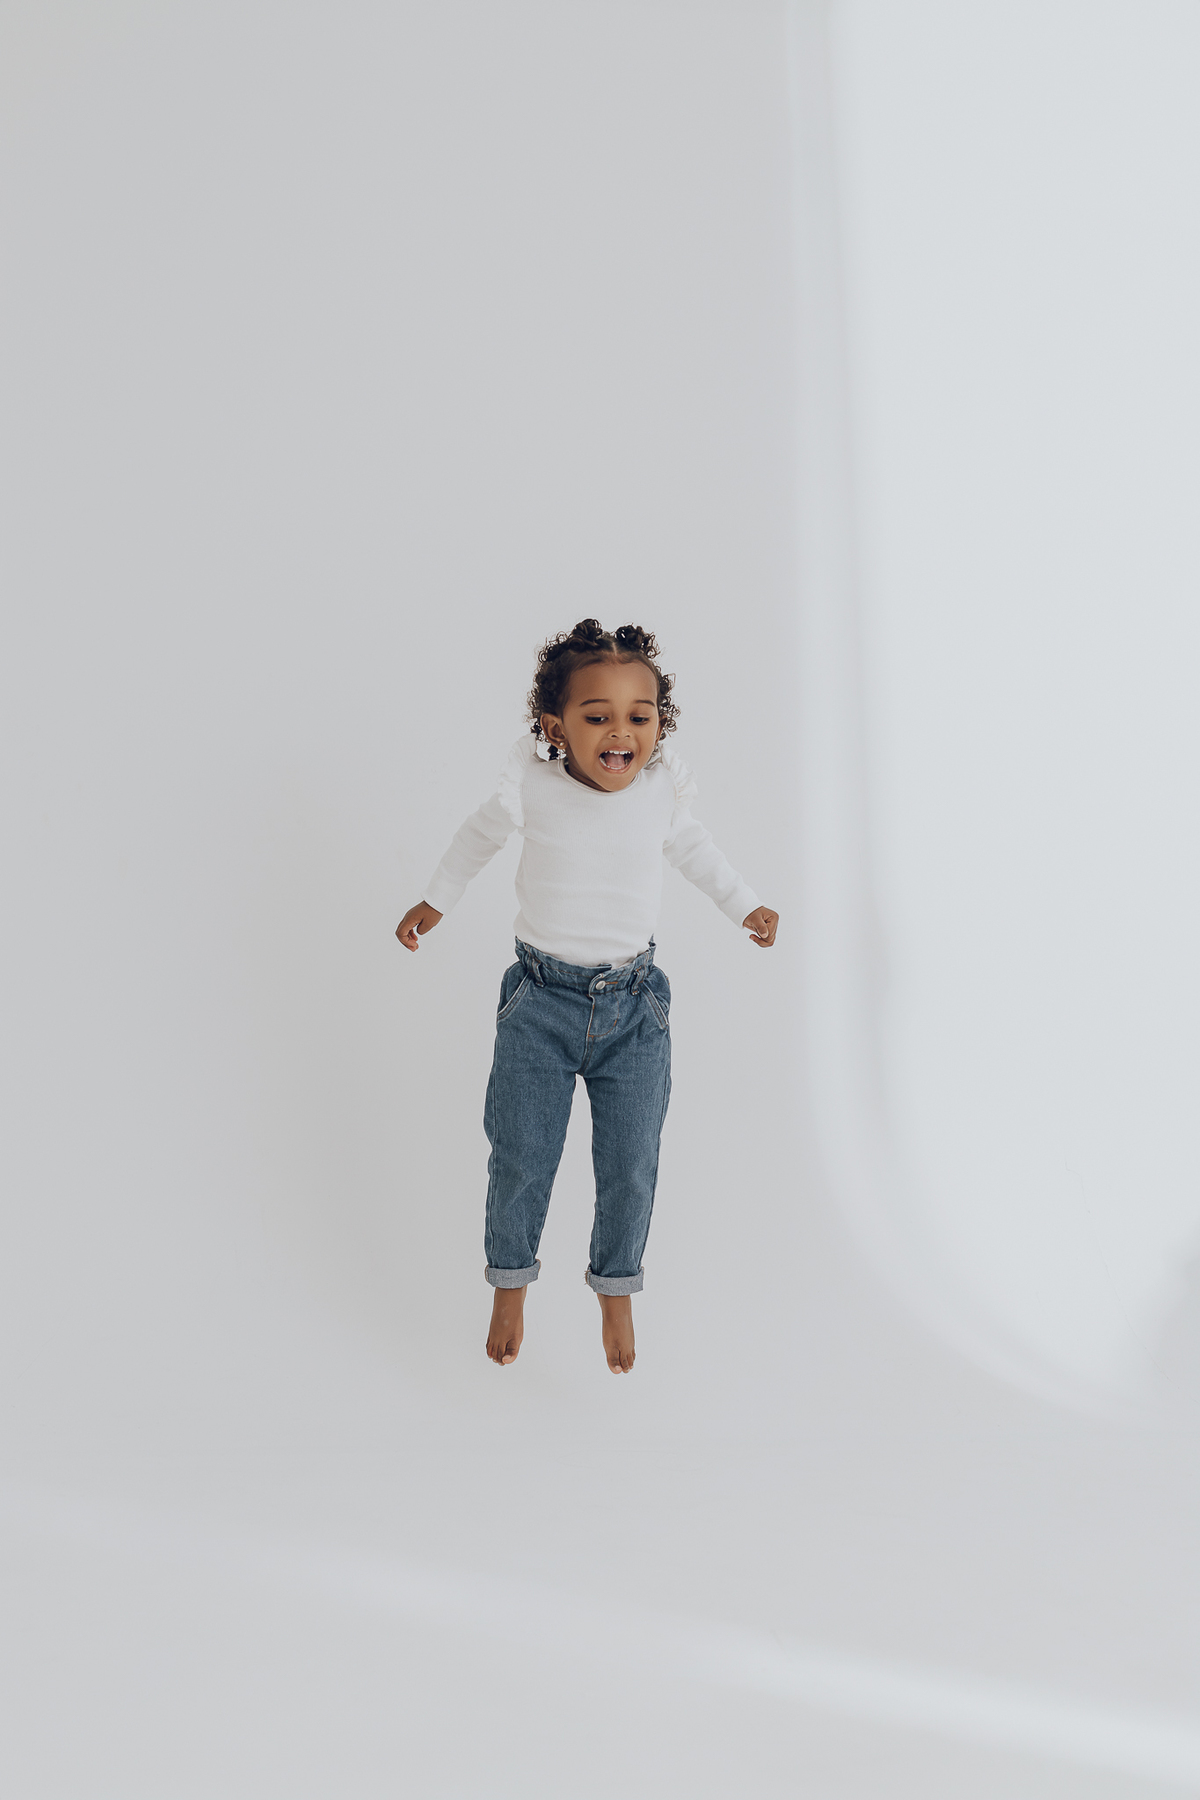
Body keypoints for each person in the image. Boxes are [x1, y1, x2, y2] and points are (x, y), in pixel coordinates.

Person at [395, 619, 778, 1374]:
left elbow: (696, 850)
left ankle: (616, 1287)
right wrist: (435, 900)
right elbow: (475, 839)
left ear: (659, 726)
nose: (620, 733)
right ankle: (510, 1282)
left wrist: (746, 905)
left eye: (639, 717)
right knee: (521, 1156)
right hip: (540, 1004)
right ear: (555, 727)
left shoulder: (661, 792)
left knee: (630, 1163)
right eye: (597, 716)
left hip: (635, 1010)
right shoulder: (531, 791)